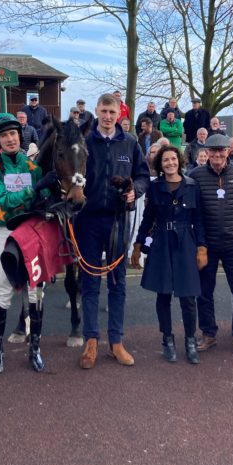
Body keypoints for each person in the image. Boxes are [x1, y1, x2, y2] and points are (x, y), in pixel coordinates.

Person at [76, 93, 150, 369]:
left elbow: (143, 176)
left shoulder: (130, 142)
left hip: (119, 221)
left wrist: (135, 191)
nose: (107, 116)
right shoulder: (85, 141)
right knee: (91, 282)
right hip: (88, 221)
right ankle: (91, 341)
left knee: (118, 283)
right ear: (96, 111)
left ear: (119, 114)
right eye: (103, 111)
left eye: (112, 112)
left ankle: (116, 342)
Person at [0, 113, 47, 374]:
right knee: (3, 291)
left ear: (20, 136)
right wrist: (33, 190)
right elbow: (0, 201)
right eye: (4, 135)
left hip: (32, 233)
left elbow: (45, 197)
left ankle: (36, 349)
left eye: (13, 134)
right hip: (5, 233)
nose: (10, 139)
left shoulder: (34, 168)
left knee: (35, 291)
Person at [131, 146, 205, 364]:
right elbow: (148, 219)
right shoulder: (154, 188)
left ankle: (190, 340)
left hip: (186, 241)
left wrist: (202, 247)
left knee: (188, 297)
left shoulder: (192, 186)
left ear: (179, 161)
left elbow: (199, 220)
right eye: (165, 160)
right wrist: (139, 244)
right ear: (160, 165)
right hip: (161, 240)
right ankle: (167, 339)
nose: (170, 163)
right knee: (163, 295)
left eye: (173, 159)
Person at [191, 134, 233, 359]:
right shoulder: (196, 175)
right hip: (206, 245)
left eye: (222, 151)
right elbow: (191, 211)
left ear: (228, 151)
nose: (217, 155)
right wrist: (197, 242)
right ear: (206, 153)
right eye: (213, 151)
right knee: (203, 292)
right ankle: (208, 333)